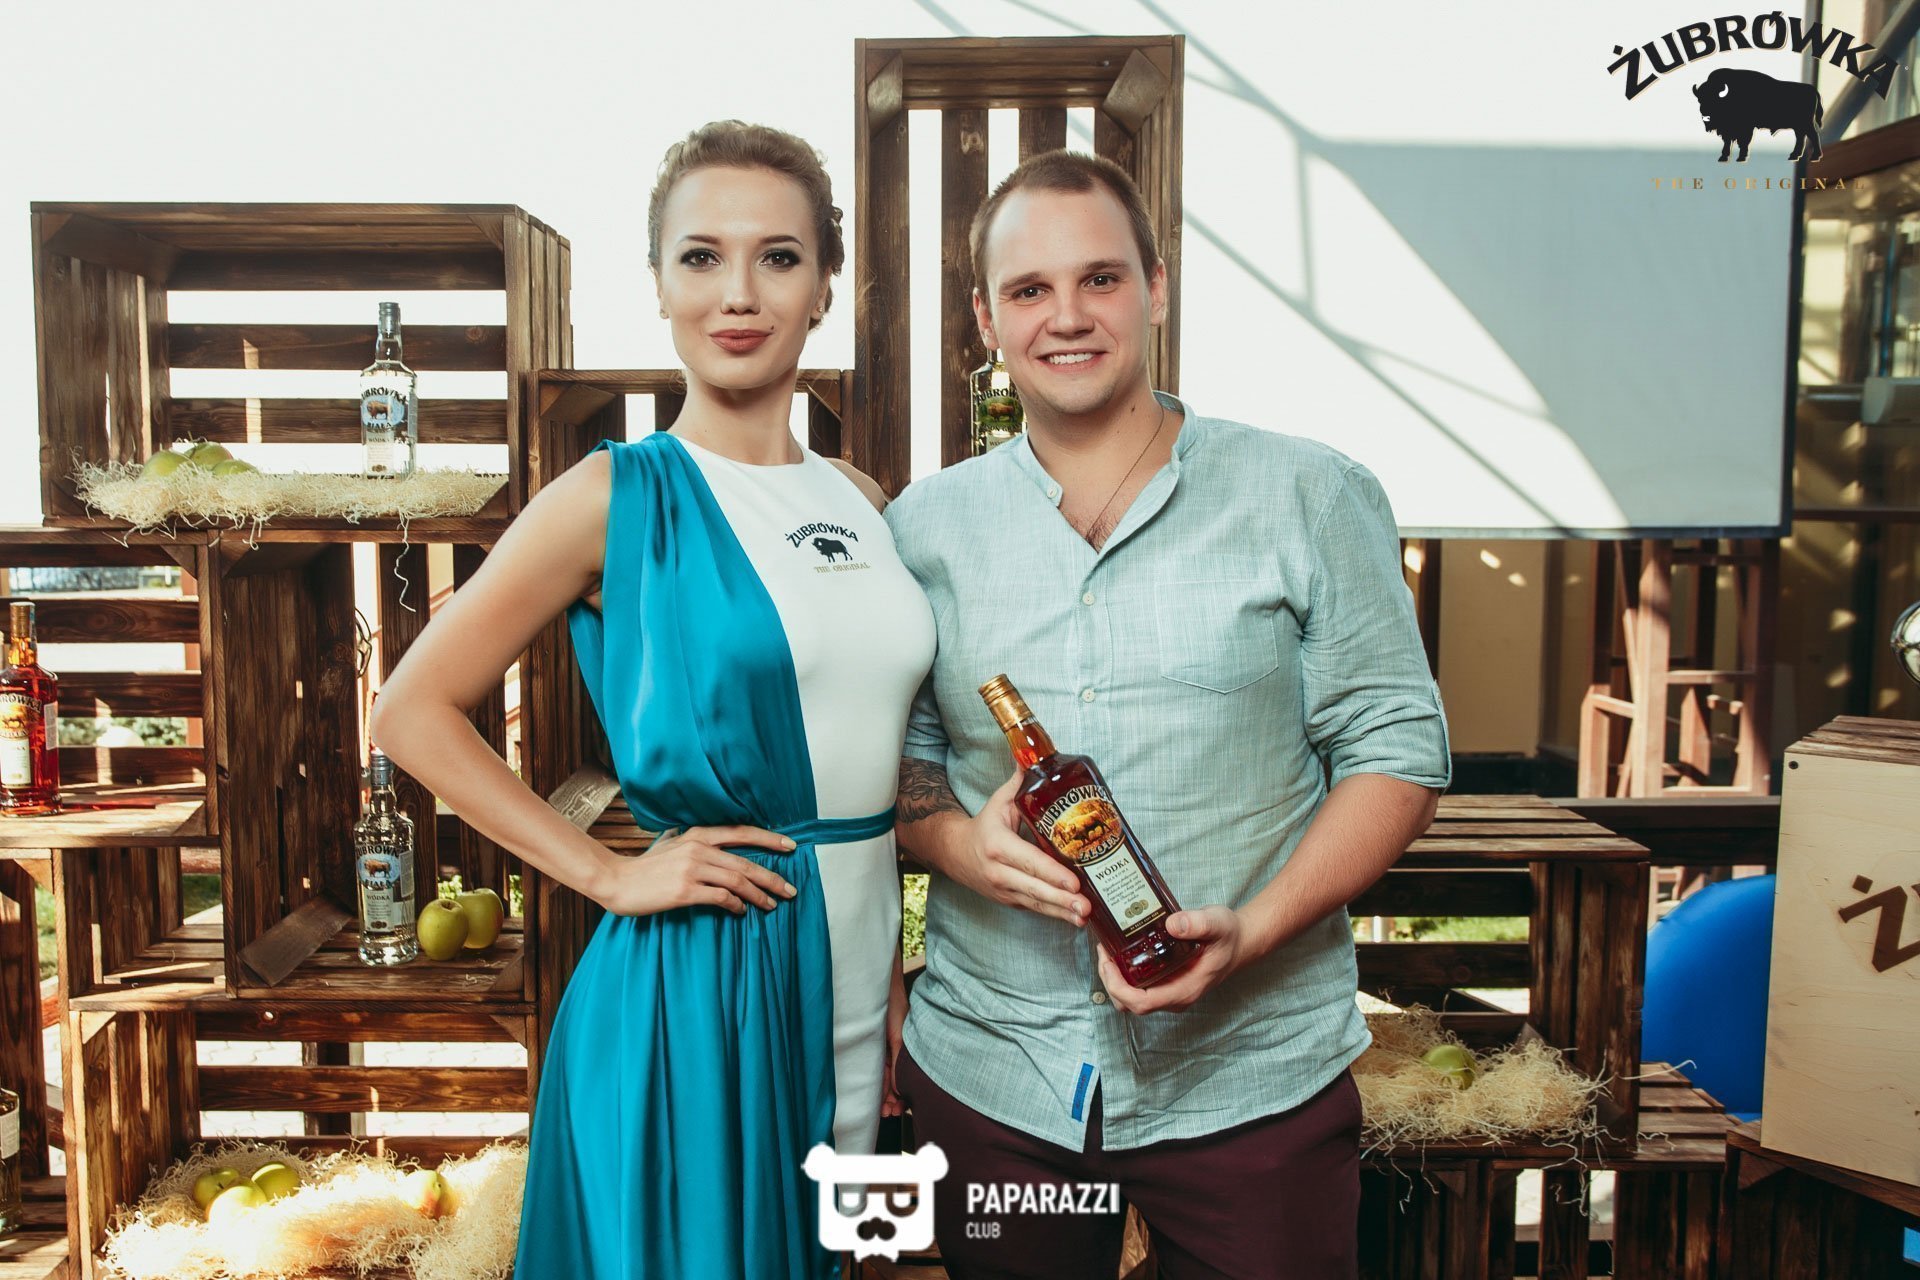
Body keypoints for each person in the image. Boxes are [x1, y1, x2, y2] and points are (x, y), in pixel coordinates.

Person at [370, 121, 933, 1279]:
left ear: (826, 286)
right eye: (701, 256)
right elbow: (410, 710)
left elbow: (872, 761)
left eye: (779, 256)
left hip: (852, 977)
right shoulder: (614, 496)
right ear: (661, 284)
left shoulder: (864, 498)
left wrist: (885, 970)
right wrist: (609, 873)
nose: (739, 292)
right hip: (702, 989)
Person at [884, 150, 1452, 1279]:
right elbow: (904, 764)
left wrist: (1256, 928)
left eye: (1099, 278)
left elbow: (1397, 751)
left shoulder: (1308, 492)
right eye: (1029, 289)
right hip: (999, 1073)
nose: (1067, 316)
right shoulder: (926, 526)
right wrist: (955, 842)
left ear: (1156, 285)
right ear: (987, 319)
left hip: (1254, 1074)